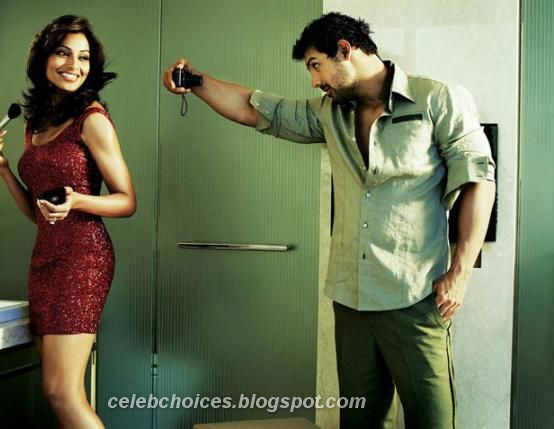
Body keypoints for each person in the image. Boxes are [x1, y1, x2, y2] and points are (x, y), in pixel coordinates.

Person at [162, 11, 495, 429]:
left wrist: (460, 273)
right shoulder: (329, 113)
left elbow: (478, 179)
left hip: (416, 297)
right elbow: (257, 109)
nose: (314, 81)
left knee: (433, 421)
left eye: (315, 65)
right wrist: (196, 82)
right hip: (351, 298)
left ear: (344, 50)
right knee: (358, 421)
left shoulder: (438, 99)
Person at [0, 15, 135, 429]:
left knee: (61, 392)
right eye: (63, 53)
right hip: (44, 259)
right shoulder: (35, 124)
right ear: (43, 58)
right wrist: (2, 167)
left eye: (83, 57)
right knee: (59, 392)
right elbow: (38, 213)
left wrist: (78, 200)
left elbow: (127, 201)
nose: (73, 65)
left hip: (83, 259)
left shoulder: (93, 120)